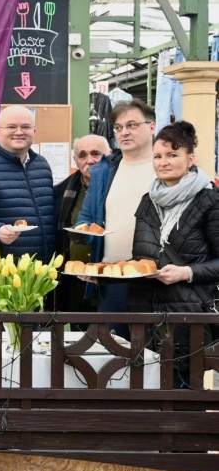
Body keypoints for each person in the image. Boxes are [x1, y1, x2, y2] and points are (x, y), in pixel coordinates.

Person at [129, 121, 219, 388]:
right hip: (144, 312)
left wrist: (186, 272)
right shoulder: (148, 200)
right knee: (147, 392)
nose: (163, 162)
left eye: (172, 154)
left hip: (187, 316)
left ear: (190, 159)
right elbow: (141, 256)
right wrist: (106, 275)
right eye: (157, 156)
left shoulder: (210, 201)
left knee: (182, 391)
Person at [75, 99, 156, 333]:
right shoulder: (104, 171)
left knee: (156, 350)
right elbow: (85, 219)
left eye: (132, 125)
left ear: (152, 127)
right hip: (112, 279)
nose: (124, 132)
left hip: (155, 279)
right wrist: (82, 233)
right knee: (114, 350)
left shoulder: (165, 167)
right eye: (119, 127)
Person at [0, 105, 56, 304]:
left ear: (34, 131)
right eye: (11, 127)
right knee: (1, 325)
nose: (19, 132)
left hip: (38, 273)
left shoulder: (42, 165)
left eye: (25, 127)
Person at [54, 135, 111, 315]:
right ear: (76, 160)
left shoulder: (119, 186)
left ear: (109, 155)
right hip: (75, 280)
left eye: (96, 154)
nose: (90, 160)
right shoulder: (61, 191)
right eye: (83, 155)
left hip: (111, 276)